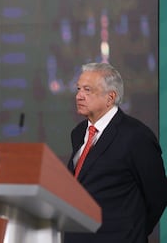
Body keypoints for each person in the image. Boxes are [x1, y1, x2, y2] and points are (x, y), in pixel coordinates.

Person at [64, 62, 167, 243]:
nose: (79, 96)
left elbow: (157, 195)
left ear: (110, 97)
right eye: (78, 89)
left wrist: (133, 231)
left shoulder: (136, 136)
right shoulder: (79, 133)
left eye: (87, 90)